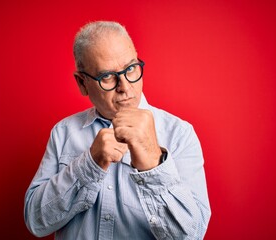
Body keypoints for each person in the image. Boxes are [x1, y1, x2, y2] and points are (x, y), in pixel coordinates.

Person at [24, 21, 211, 240]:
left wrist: (152, 164)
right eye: (107, 77)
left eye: (131, 68)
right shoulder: (63, 132)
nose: (125, 87)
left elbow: (192, 236)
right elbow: (36, 222)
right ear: (82, 83)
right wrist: (88, 165)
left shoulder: (180, 134)